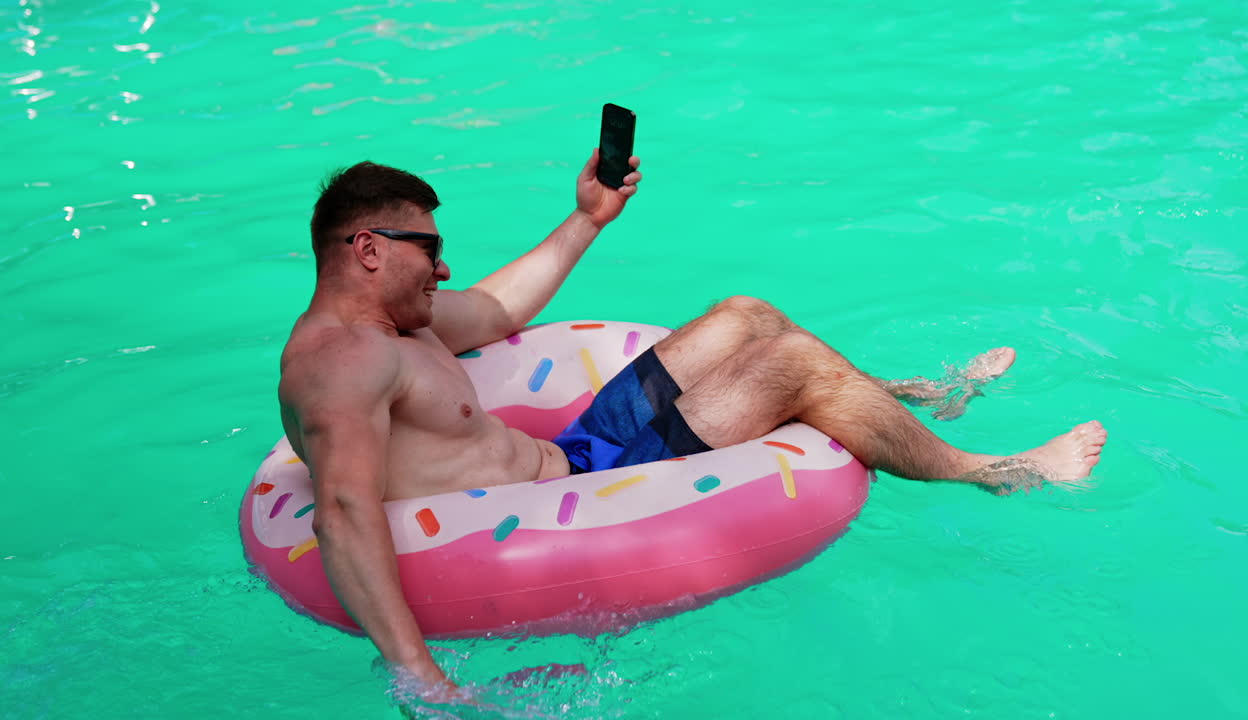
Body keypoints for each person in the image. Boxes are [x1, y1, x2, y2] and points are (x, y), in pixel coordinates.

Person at [277, 151, 1107, 695]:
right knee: (792, 367)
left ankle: (910, 395)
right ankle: (994, 472)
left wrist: (590, 217)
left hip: (573, 452)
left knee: (745, 315)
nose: (444, 264)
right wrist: (420, 675)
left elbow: (493, 308)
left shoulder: (401, 330)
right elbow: (345, 511)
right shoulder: (341, 362)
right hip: (582, 493)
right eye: (428, 245)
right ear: (369, 247)